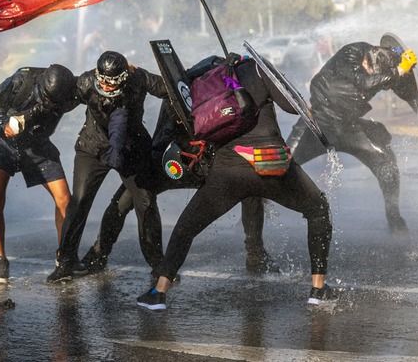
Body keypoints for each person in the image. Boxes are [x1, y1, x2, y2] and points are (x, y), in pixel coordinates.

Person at [137, 54, 333, 311]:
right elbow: (291, 106)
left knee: (186, 227)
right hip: (269, 163)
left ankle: (158, 292)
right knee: (318, 209)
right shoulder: (257, 69)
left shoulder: (203, 82)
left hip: (227, 171)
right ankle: (318, 289)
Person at [80, 57, 279, 276]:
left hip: (209, 163)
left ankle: (255, 253)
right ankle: (100, 252)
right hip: (171, 159)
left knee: (250, 188)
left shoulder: (232, 98)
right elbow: (178, 84)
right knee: (129, 197)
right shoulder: (179, 94)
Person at [47, 51, 168, 283]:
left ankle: (158, 263)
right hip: (92, 147)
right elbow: (58, 98)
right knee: (80, 202)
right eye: (102, 80)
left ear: (125, 76)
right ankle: (66, 262)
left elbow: (169, 89)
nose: (106, 86)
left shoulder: (139, 78)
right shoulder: (85, 82)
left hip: (132, 149)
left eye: (112, 82)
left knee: (146, 202)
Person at [285, 42, 418, 232]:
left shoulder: (384, 70)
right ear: (366, 57)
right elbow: (363, 81)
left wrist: (404, 70)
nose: (370, 73)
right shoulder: (351, 53)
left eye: (374, 73)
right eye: (369, 69)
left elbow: (395, 84)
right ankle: (254, 215)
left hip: (349, 126)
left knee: (386, 162)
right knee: (281, 165)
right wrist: (398, 71)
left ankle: (393, 214)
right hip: (318, 123)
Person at [0, 64, 78, 283]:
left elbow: (90, 83)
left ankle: (64, 257)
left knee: (65, 199)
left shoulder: (68, 87)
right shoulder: (19, 82)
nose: (51, 105)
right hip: (3, 143)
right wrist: (4, 123)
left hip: (38, 144)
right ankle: (1, 260)